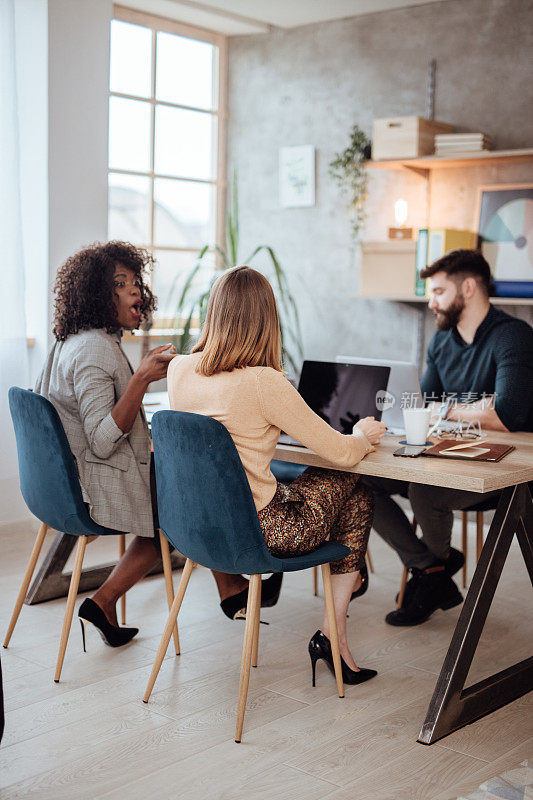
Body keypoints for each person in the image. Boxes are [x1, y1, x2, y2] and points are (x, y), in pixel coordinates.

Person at [35, 241, 278, 648]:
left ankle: (118, 601)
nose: (134, 290)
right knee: (185, 498)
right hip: (93, 482)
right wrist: (141, 379)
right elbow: (101, 441)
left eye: (135, 281)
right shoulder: (96, 349)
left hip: (61, 482)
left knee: (179, 490)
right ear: (97, 292)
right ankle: (228, 589)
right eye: (120, 283)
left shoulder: (71, 339)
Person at [167, 266, 386, 685]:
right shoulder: (263, 382)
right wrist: (360, 434)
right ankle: (335, 629)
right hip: (264, 531)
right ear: (267, 319)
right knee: (355, 484)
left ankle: (332, 634)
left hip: (199, 528)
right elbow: (340, 453)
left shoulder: (179, 369)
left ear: (214, 313)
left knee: (357, 502)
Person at [363, 249, 533, 627]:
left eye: (438, 291)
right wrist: (474, 407)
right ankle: (430, 569)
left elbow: (506, 416)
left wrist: (451, 409)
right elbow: (424, 405)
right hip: (448, 452)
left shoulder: (513, 337)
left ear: (468, 288)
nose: (431, 300)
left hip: (505, 465)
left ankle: (429, 576)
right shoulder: (441, 342)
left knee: (426, 491)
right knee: (360, 479)